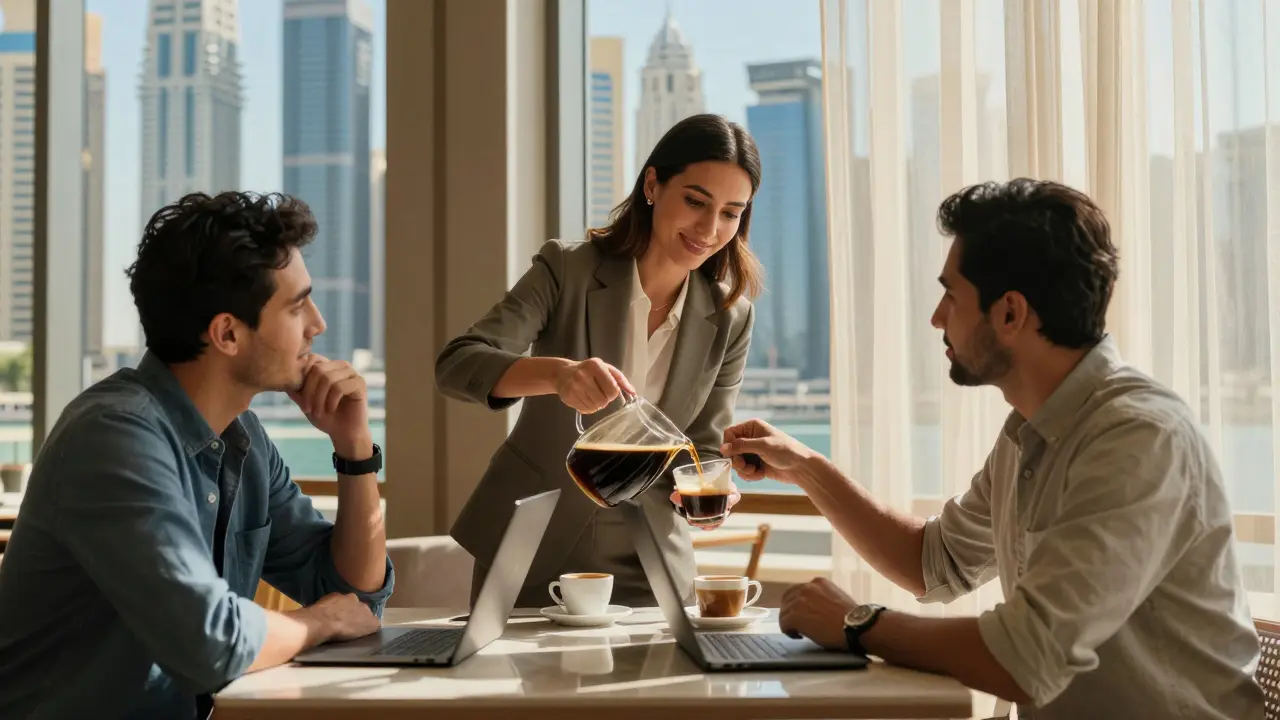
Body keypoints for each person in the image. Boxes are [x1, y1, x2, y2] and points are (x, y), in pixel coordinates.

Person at [720, 179, 1265, 719]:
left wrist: (857, 623)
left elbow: (1027, 657)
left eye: (950, 296)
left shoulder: (1138, 438)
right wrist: (806, 467)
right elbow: (934, 562)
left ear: (1009, 314)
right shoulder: (1029, 430)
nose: (936, 318)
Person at [0, 191, 394, 719]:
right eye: (297, 306)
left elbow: (354, 595)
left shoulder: (243, 438)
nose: (317, 325)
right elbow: (212, 644)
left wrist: (354, 452)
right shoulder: (113, 438)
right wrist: (319, 622)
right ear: (227, 333)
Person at [437, 113, 762, 607]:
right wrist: (558, 375)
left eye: (731, 212)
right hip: (533, 540)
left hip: (650, 558)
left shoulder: (730, 316)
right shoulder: (567, 268)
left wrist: (713, 490)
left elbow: (703, 445)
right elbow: (458, 364)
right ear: (652, 184)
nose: (710, 228)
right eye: (696, 201)